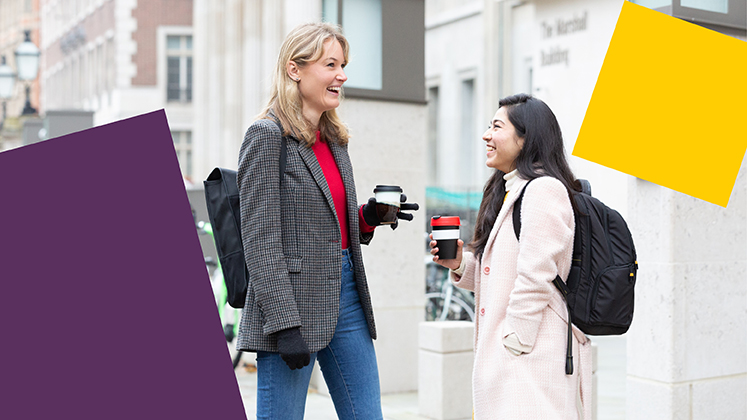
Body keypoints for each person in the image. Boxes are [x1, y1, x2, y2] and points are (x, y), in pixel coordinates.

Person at [236, 22, 418, 420]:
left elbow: (322, 223)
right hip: (291, 302)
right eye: (331, 64)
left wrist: (367, 218)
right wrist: (284, 324)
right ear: (294, 69)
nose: (342, 75)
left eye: (344, 65)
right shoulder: (266, 136)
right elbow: (260, 239)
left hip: (347, 292)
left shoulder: (334, 139)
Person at [430, 93, 592, 419]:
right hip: (514, 356)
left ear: (524, 138)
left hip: (530, 355)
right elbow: (502, 272)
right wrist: (461, 263)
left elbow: (537, 273)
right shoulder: (510, 190)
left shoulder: (543, 190)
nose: (486, 135)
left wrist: (515, 339)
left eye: (497, 127)